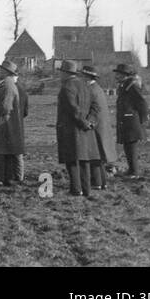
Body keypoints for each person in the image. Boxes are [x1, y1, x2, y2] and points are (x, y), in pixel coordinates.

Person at [56, 60, 100, 197]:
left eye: (61, 73)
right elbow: (96, 106)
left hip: (71, 129)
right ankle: (86, 189)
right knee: (84, 160)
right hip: (86, 131)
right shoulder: (85, 85)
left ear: (65, 73)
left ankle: (76, 189)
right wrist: (90, 122)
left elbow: (72, 109)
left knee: (72, 160)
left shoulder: (66, 87)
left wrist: (83, 122)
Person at [0, 60, 26, 187]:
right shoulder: (8, 84)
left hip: (3, 123)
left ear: (6, 72)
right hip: (6, 122)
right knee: (5, 151)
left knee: (0, 151)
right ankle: (5, 178)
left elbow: (6, 106)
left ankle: (0, 178)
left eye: (1, 69)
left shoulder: (7, 85)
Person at [81, 66, 118, 190]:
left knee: (94, 156)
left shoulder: (91, 90)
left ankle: (97, 182)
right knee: (99, 157)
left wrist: (87, 122)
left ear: (87, 77)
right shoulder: (97, 88)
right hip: (100, 126)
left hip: (95, 127)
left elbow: (94, 108)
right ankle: (102, 182)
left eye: (82, 76)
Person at [113, 64, 148, 179]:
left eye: (118, 73)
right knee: (128, 146)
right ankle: (131, 170)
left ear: (124, 75)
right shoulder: (125, 85)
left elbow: (141, 102)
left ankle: (134, 172)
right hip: (127, 121)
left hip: (131, 122)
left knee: (131, 146)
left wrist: (143, 119)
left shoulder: (132, 86)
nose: (116, 75)